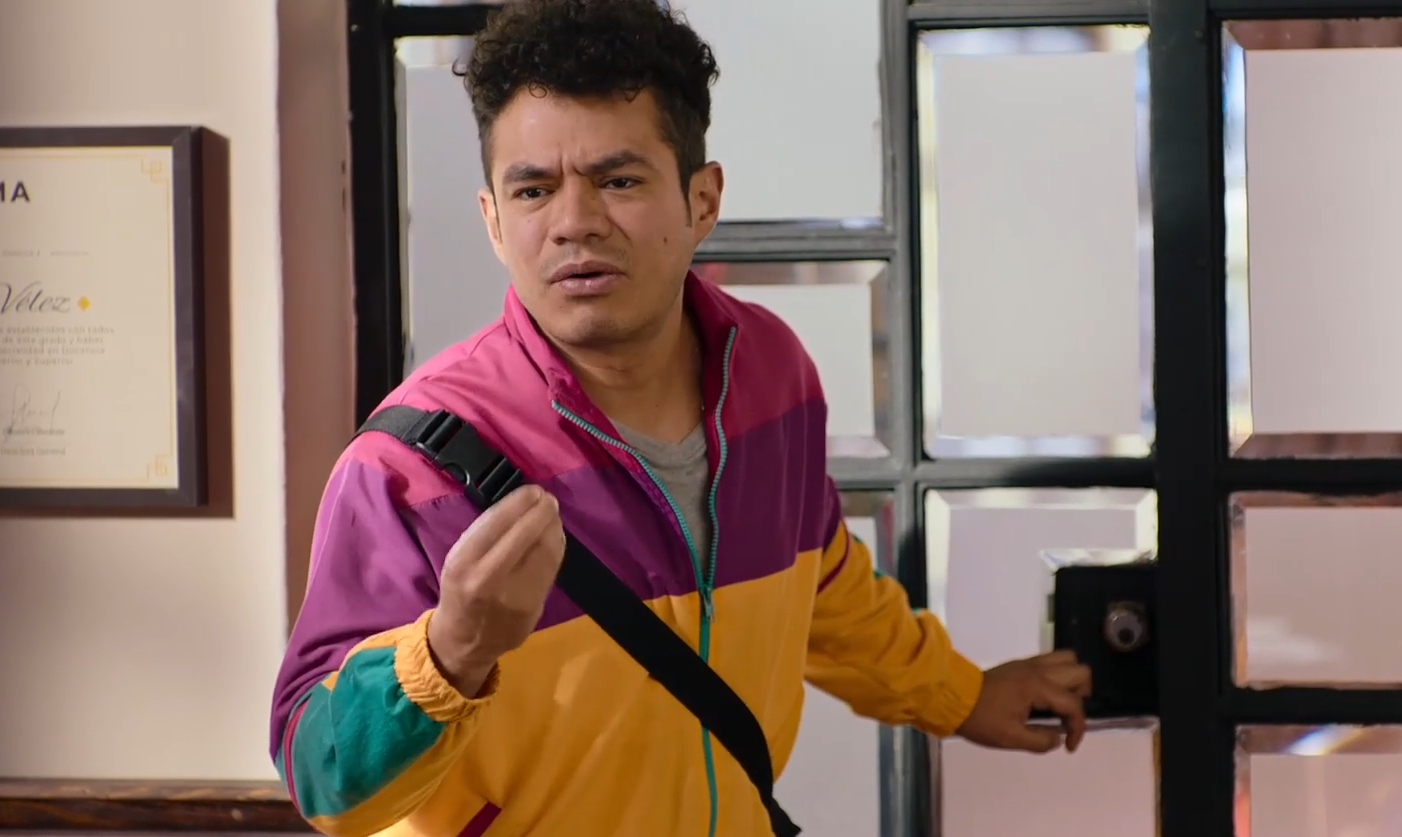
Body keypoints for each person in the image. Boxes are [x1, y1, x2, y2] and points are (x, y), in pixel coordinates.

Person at [268, 0, 1093, 835]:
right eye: (533, 189)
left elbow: (821, 583)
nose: (574, 222)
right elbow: (321, 778)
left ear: (703, 199)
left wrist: (963, 694)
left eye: (619, 180)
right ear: (493, 220)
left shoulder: (772, 376)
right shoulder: (409, 465)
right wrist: (450, 651)